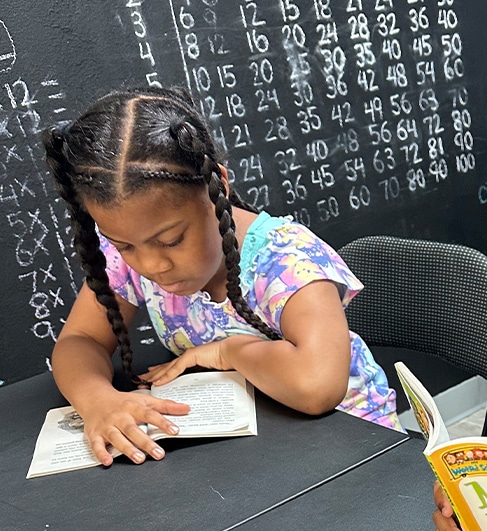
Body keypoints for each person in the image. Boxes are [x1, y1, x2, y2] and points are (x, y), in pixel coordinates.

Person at [42, 86, 400, 467]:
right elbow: (79, 340)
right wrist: (98, 399)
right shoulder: (129, 249)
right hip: (255, 447)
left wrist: (228, 350)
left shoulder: (286, 261)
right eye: (126, 246)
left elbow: (319, 387)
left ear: (219, 189)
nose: (150, 265)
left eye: (171, 240)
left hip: (354, 443)